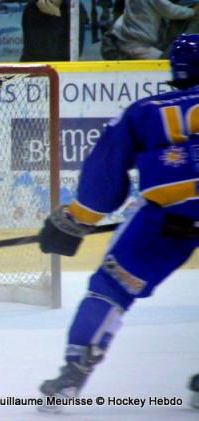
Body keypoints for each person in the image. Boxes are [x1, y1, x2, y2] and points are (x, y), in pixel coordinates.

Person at [37, 34, 199, 410]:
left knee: (110, 288)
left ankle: (72, 377)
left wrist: (76, 221)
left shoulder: (145, 111)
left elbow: (104, 178)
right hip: (169, 220)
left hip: (168, 223)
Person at [110, 0, 199, 59]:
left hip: (130, 42)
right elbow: (170, 10)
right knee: (163, 63)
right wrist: (193, 12)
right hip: (137, 45)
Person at [20, 0, 87, 62]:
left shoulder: (75, 9)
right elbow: (35, 52)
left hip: (64, 70)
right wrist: (55, 17)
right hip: (33, 69)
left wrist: (56, 16)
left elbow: (71, 54)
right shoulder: (32, 8)